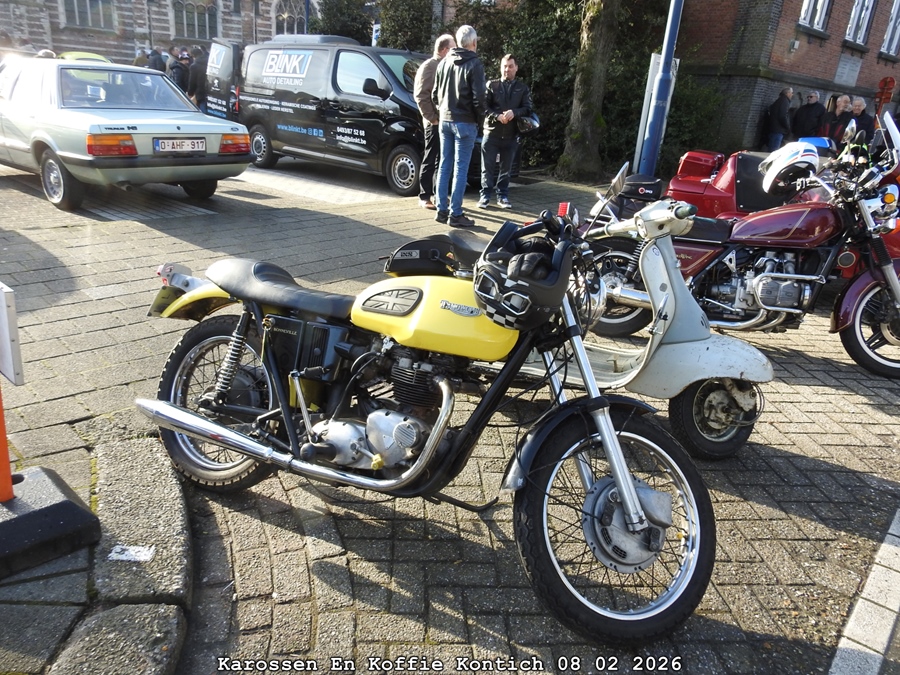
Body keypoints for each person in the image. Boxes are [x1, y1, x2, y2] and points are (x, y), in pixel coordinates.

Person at [431, 25, 486, 228]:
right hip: (465, 121)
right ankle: (456, 213)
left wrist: (442, 110)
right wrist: (480, 121)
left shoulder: (444, 62)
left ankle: (441, 209)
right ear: (474, 43)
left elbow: (434, 94)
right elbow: (479, 99)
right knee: (460, 168)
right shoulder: (475, 64)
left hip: (445, 120)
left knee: (445, 165)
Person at [478, 54, 532, 210]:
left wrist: (514, 112)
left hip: (511, 134)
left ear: (516, 68)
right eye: (504, 66)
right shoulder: (492, 85)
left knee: (506, 169)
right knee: (487, 168)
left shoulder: (522, 88)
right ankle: (485, 196)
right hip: (491, 132)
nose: (507, 69)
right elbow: (483, 107)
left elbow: (528, 108)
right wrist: (497, 116)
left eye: (510, 66)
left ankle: (502, 196)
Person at [413, 34, 456, 211]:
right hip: (434, 123)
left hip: (445, 121)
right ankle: (424, 196)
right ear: (445, 50)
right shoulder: (430, 66)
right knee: (430, 158)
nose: (456, 51)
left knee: (442, 160)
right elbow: (421, 95)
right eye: (453, 48)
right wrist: (433, 118)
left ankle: (440, 196)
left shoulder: (445, 65)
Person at [766, 86, 793, 151]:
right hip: (778, 130)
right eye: (791, 93)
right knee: (774, 150)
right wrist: (787, 127)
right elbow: (783, 116)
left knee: (772, 148)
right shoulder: (784, 101)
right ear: (788, 93)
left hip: (774, 129)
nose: (792, 95)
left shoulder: (779, 100)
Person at [187, 46, 209, 113]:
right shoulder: (208, 62)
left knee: (202, 109)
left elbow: (192, 81)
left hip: (200, 91)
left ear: (193, 56)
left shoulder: (194, 66)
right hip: (209, 90)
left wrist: (190, 92)